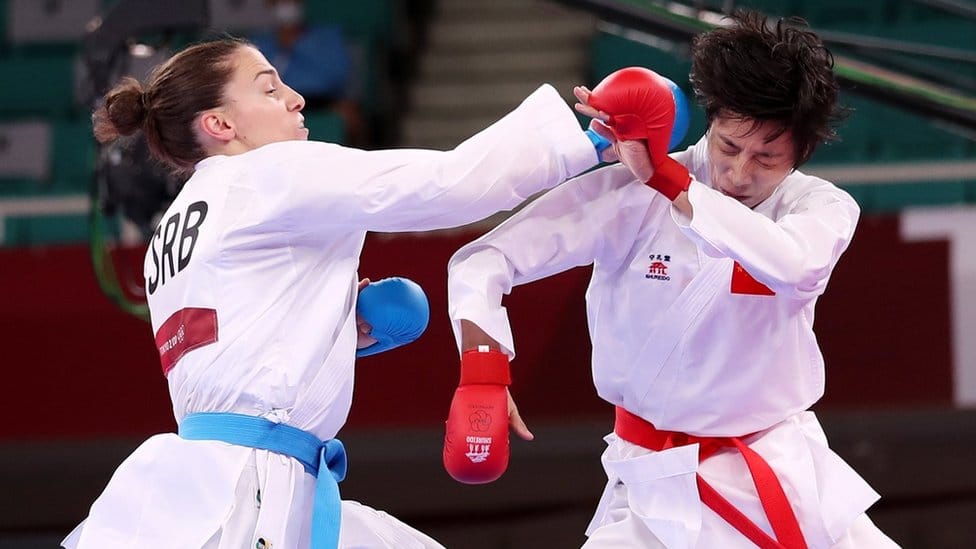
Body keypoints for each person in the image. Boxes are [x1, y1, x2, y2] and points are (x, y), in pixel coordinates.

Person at [62, 36, 629, 548]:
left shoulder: (173, 228)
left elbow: (233, 338)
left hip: (210, 476)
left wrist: (333, 324)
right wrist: (585, 145)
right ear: (220, 124)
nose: (296, 99)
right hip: (251, 486)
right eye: (269, 89)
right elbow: (448, 184)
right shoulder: (269, 173)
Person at [441, 10, 900, 549]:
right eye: (730, 146)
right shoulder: (629, 195)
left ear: (801, 152)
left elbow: (793, 263)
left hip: (784, 474)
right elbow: (485, 258)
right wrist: (483, 370)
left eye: (767, 157)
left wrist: (668, 180)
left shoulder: (819, 207)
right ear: (711, 119)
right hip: (654, 488)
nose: (740, 173)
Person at [250, 0, 367, 145]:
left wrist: (298, 45)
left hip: (323, 101)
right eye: (279, 2)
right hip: (279, 102)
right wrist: (283, 47)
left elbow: (339, 76)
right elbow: (260, 81)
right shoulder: (260, 42)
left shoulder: (327, 36)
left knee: (351, 115)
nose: (286, 5)